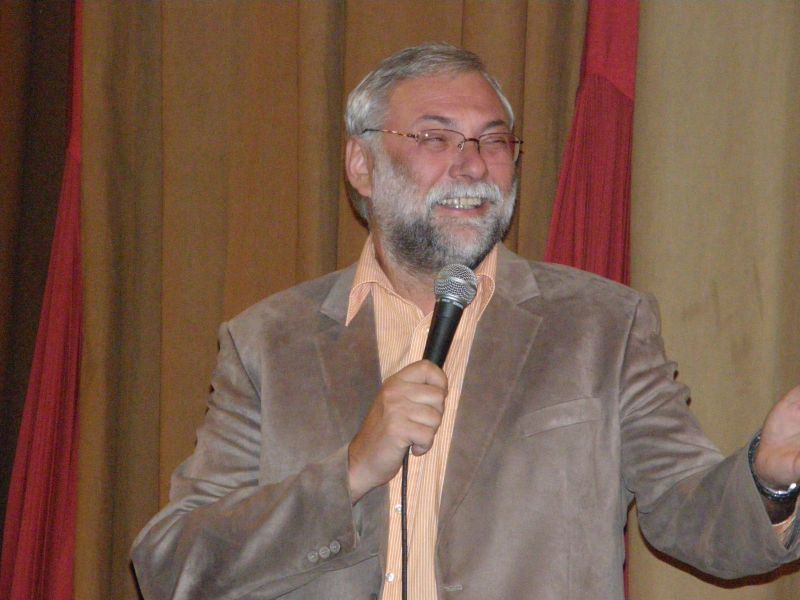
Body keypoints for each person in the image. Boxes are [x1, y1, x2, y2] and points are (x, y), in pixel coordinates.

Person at [131, 43, 800, 599]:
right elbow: (172, 565)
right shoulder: (269, 343)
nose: (473, 164)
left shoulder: (601, 326)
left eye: (494, 141)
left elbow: (692, 514)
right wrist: (351, 470)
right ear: (362, 165)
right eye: (435, 137)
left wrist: (770, 477)